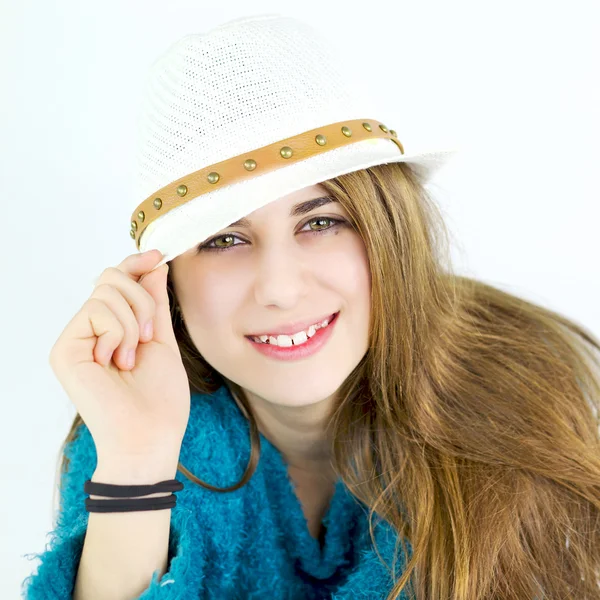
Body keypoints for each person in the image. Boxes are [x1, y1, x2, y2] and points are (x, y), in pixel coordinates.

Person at [21, 14, 600, 600]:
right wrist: (136, 458)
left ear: (387, 233)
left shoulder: (518, 396)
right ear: (166, 283)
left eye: (321, 222)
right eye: (224, 238)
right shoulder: (129, 429)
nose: (280, 288)